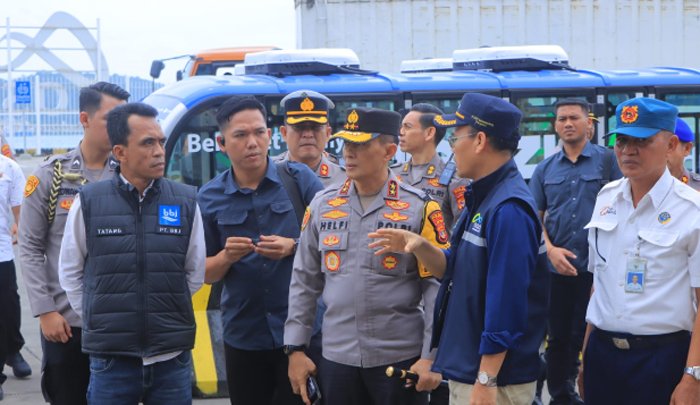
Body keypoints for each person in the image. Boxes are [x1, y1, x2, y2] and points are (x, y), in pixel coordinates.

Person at [369, 93, 549, 405]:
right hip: (470, 368)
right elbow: (454, 268)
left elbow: (506, 304)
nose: (451, 147)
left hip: (494, 380)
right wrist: (421, 246)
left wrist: (486, 379)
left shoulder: (508, 208)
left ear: (479, 141)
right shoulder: (483, 196)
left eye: (455, 137)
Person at [285, 107, 449, 405]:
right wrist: (295, 349)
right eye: (347, 143)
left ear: (389, 151)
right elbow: (304, 280)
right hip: (337, 358)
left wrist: (431, 357)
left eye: (360, 145)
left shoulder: (420, 207)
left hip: (400, 358)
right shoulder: (322, 205)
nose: (349, 153)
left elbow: (435, 289)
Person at [57, 102, 204, 403]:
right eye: (148, 143)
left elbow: (194, 273)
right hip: (112, 361)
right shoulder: (90, 201)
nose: (159, 151)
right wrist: (99, 318)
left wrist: (163, 309)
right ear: (120, 152)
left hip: (171, 359)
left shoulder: (185, 201)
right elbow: (70, 272)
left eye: (161, 142)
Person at [197, 96, 323, 405]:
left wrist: (293, 246)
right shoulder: (209, 197)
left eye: (258, 132)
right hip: (244, 336)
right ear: (222, 143)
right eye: (240, 135)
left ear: (269, 135)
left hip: (303, 333)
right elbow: (204, 272)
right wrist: (227, 256)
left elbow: (334, 245)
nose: (252, 142)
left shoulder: (299, 180)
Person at [582, 97, 700, 404]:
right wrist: (585, 356)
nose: (628, 150)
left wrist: (693, 376)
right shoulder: (606, 198)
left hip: (662, 359)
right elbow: (600, 285)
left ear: (671, 145)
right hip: (602, 356)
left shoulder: (692, 209)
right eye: (621, 140)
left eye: (641, 141)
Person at [18, 81, 129, 404]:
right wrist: (45, 311)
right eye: (112, 119)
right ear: (84, 119)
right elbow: (30, 247)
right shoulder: (51, 175)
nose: (121, 128)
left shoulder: (129, 175)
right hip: (66, 324)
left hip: (118, 323)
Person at [528, 98, 622, 405]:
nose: (568, 123)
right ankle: (561, 396)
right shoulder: (544, 169)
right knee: (557, 338)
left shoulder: (608, 162)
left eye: (574, 118)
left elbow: (625, 209)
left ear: (588, 124)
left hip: (599, 269)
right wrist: (550, 251)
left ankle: (593, 392)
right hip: (557, 269)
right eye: (562, 119)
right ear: (555, 126)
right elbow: (535, 218)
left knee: (593, 335)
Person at [394, 103, 467, 229]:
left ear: (429, 133)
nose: (401, 132)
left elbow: (462, 229)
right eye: (401, 126)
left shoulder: (454, 179)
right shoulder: (393, 174)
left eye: (408, 127)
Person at [275, 89, 345, 187]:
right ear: (284, 133)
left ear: (328, 133)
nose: (308, 134)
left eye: (315, 127)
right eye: (299, 127)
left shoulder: (344, 179)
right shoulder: (268, 175)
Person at [0, 153, 27, 400]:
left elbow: (20, 209)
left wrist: (20, 223)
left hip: (2, 251)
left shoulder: (9, 168)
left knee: (8, 305)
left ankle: (13, 350)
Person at [668, 118, 700, 191]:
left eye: (669, 145)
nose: (661, 151)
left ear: (687, 149)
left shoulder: (697, 187)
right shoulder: (643, 187)